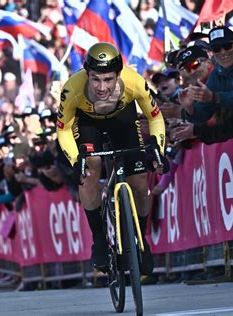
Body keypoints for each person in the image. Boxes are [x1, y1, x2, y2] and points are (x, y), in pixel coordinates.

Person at [56, 42, 167, 274]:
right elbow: (63, 129)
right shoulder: (72, 89)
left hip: (123, 121)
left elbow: (155, 118)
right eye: (95, 79)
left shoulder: (135, 81)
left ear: (118, 74)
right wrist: (76, 161)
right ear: (87, 74)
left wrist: (158, 148)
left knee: (139, 184)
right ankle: (99, 240)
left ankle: (141, 240)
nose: (101, 87)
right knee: (90, 170)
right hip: (87, 123)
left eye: (108, 79)